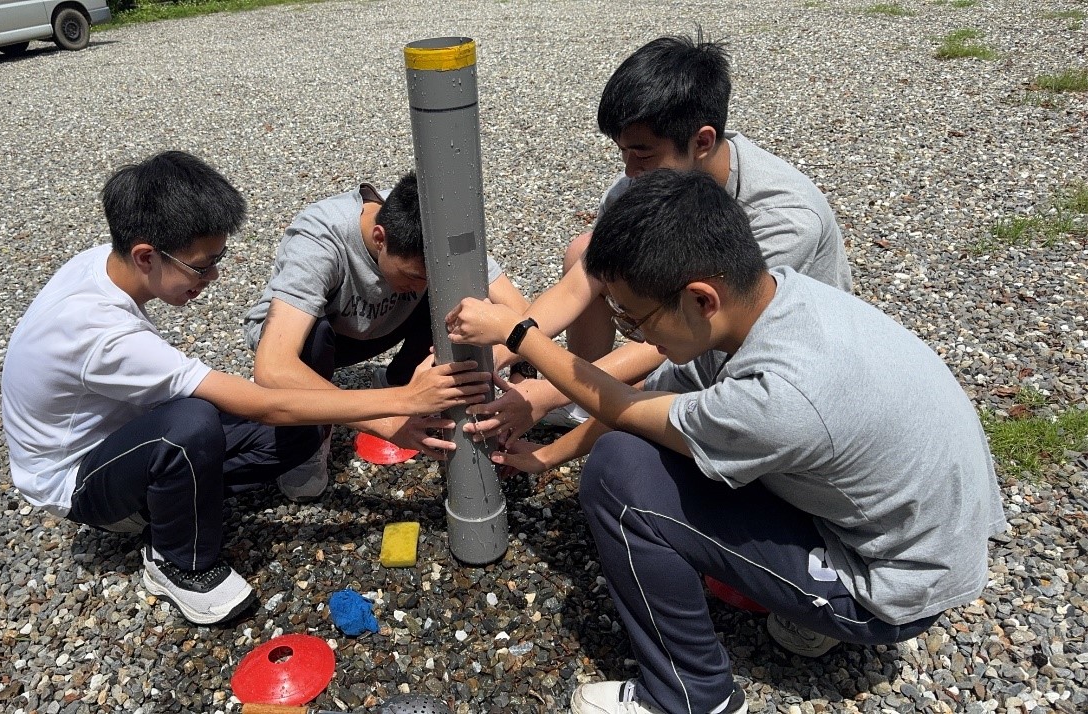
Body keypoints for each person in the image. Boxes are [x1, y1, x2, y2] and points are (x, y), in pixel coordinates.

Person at [445, 169, 1004, 714]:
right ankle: (800, 609)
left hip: (890, 588)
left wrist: (519, 336)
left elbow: (624, 412)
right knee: (646, 447)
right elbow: (645, 406)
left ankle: (692, 694)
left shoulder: (779, 396)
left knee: (620, 479)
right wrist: (547, 456)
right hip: (911, 532)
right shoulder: (776, 298)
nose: (637, 335)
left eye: (635, 320)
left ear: (700, 299)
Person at [1, 151, 488, 626]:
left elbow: (274, 408)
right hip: (78, 479)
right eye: (201, 266)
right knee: (188, 425)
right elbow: (265, 402)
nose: (213, 277)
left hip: (124, 436)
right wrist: (401, 403)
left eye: (217, 259)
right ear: (146, 256)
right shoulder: (101, 335)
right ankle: (177, 560)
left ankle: (174, 496)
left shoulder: (105, 264)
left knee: (301, 431)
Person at [469, 32, 852, 444]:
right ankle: (589, 407)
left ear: (702, 141)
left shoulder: (783, 217)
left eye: (643, 153)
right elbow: (580, 284)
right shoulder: (646, 182)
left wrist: (551, 392)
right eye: (622, 151)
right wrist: (503, 348)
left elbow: (704, 329)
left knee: (630, 441)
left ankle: (598, 403)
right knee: (586, 251)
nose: (629, 170)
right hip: (684, 321)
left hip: (771, 358)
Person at [243, 171, 528, 492]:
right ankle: (311, 435)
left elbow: (523, 316)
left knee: (450, 297)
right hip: (317, 336)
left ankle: (399, 381)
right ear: (380, 238)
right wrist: (388, 420)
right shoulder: (320, 239)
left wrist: (516, 390)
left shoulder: (437, 227)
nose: (419, 286)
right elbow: (273, 369)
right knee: (313, 338)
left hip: (383, 326)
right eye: (412, 275)